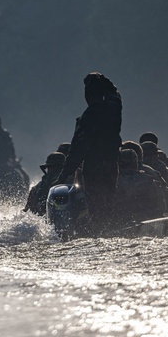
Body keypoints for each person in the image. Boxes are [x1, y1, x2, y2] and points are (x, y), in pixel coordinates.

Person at [52, 73, 123, 224]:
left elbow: (77, 150)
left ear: (88, 95)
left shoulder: (88, 118)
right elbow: (115, 93)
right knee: (109, 199)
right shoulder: (114, 109)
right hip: (111, 165)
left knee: (95, 205)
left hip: (94, 168)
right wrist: (101, 78)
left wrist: (63, 176)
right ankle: (108, 225)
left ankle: (98, 228)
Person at [24, 151, 66, 215]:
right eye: (51, 168)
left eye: (58, 168)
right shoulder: (37, 188)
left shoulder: (72, 182)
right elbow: (27, 212)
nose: (55, 171)